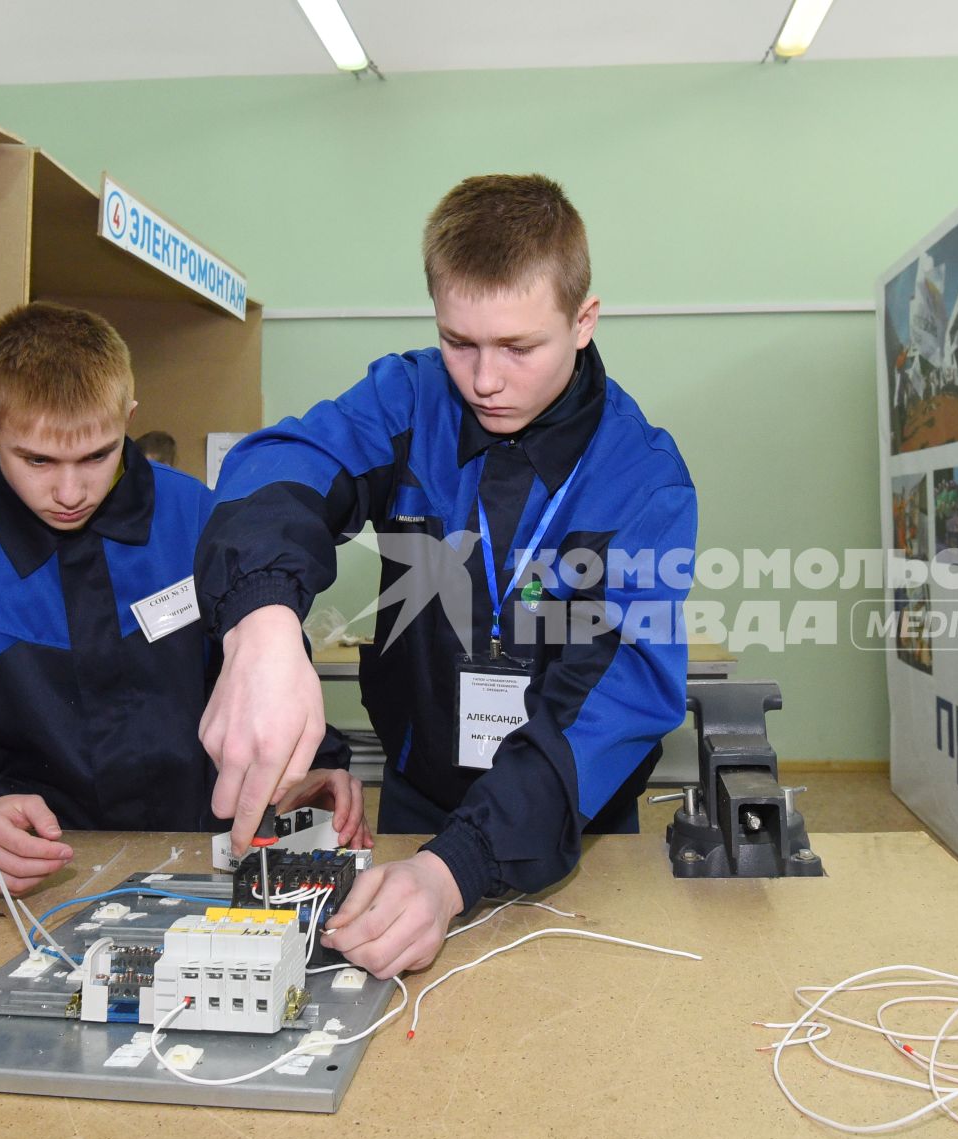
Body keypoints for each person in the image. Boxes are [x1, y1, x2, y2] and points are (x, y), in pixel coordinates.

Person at [194, 174, 696, 980]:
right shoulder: (408, 397)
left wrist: (454, 868)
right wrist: (260, 621)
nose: (484, 380)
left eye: (519, 347)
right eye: (459, 342)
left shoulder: (642, 480)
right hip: (420, 789)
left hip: (569, 813)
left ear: (583, 321)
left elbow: (617, 700)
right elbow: (282, 466)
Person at [0, 302, 367, 895]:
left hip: (210, 867)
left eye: (96, 456)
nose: (69, 492)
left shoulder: (206, 524)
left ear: (128, 419)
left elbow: (267, 687)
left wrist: (314, 768)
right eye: (37, 459)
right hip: (38, 891)